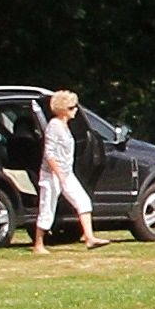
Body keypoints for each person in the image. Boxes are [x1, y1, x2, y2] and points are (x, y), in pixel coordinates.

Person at [33, 89, 96, 252]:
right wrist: (58, 174)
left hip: (67, 173)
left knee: (83, 201)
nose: (75, 110)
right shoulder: (54, 126)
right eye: (71, 107)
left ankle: (89, 237)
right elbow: (49, 153)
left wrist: (65, 174)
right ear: (62, 109)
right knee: (47, 207)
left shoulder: (65, 126)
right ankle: (38, 244)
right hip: (52, 174)